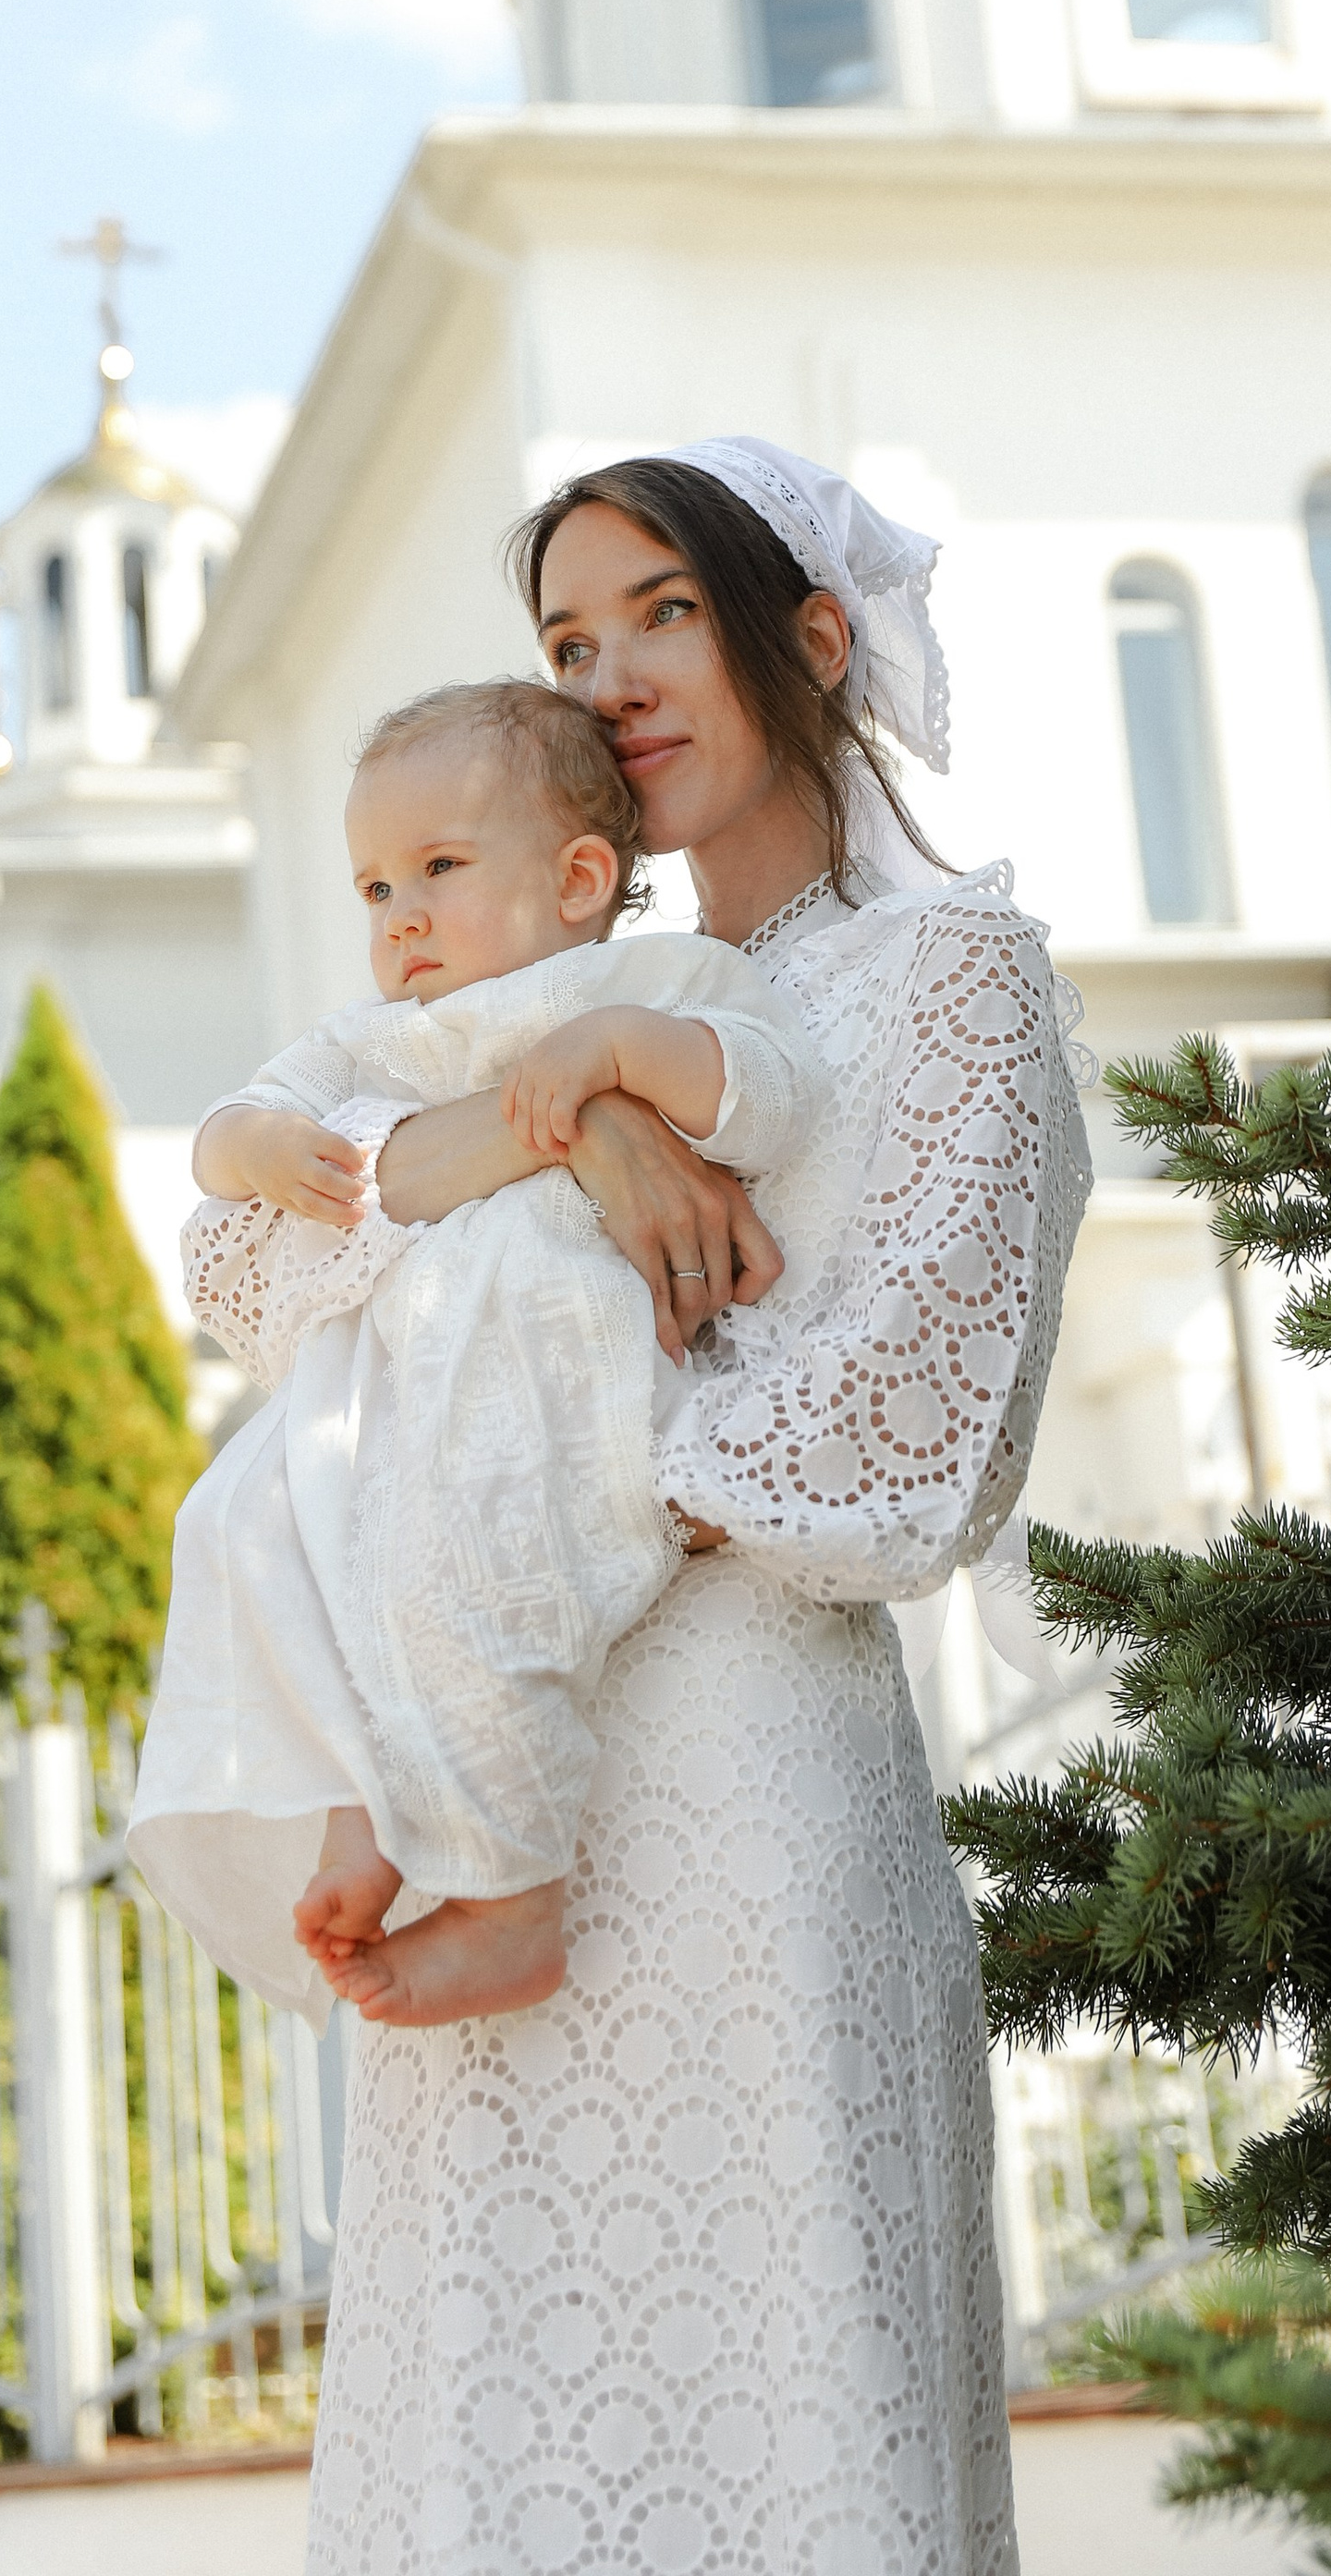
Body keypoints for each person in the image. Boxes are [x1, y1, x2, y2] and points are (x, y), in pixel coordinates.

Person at [192, 436, 1092, 2576]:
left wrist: (512, 1444)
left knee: (787, 2428)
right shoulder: (511, 984)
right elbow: (248, 1271)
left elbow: (902, 1432)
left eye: (659, 615)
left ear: (812, 632)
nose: (607, 678)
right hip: (488, 1774)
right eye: (565, 641)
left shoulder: (949, 971)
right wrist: (566, 1136)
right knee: (498, 2446)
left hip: (745, 1801)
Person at [133, 674, 824, 2028]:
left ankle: (509, 1895)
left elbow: (773, 1089)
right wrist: (256, 1145)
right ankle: (363, 1804)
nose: (400, 918)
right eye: (375, 890)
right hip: (383, 1394)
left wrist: (627, 1051)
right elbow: (230, 1140)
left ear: (577, 878)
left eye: (438, 869)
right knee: (260, 1538)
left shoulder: (646, 980)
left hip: (546, 1369)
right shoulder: (369, 1041)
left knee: (492, 1580)